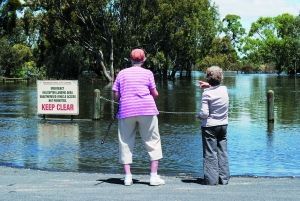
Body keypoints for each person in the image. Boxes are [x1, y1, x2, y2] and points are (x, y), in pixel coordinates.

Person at [112, 48, 165, 186]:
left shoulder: (122, 73)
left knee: (125, 141)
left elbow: (116, 95)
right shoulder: (148, 73)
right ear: (144, 59)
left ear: (130, 59)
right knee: (152, 141)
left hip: (126, 110)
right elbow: (155, 93)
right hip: (147, 110)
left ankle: (128, 177)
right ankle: (153, 177)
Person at [197, 66, 230, 185]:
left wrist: (198, 115)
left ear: (208, 78)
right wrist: (209, 86)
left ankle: (211, 180)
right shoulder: (225, 89)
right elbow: (217, 89)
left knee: (210, 153)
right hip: (223, 125)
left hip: (210, 127)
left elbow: (205, 114)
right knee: (222, 151)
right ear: (221, 78)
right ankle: (224, 179)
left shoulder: (206, 94)